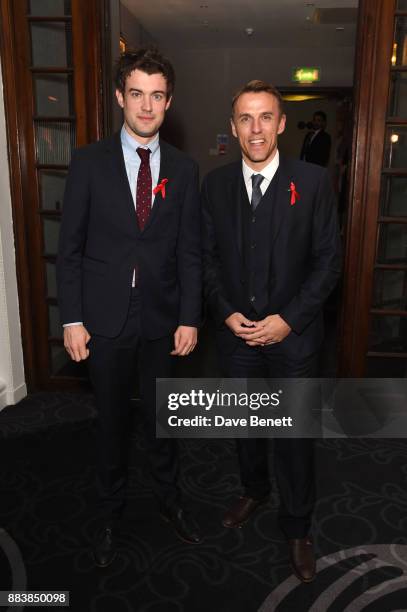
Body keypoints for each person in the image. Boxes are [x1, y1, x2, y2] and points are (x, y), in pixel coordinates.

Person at [57, 48, 202, 567]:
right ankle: (109, 514)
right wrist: (71, 318)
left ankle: (170, 502)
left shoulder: (184, 169)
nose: (146, 106)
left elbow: (189, 249)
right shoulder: (88, 162)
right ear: (120, 97)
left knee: (167, 421)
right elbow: (69, 248)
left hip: (162, 320)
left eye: (157, 95)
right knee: (112, 423)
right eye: (136, 93)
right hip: (103, 319)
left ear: (169, 102)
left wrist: (189, 316)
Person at [202, 80, 341, 582]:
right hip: (237, 337)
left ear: (281, 124)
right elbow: (208, 260)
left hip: (295, 339)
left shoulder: (314, 181)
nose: (255, 129)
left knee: (295, 435)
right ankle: (253, 489)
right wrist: (223, 312)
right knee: (245, 425)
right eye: (245, 118)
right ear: (233, 126)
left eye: (265, 117)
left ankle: (298, 526)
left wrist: (290, 319)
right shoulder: (215, 185)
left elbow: (329, 263)